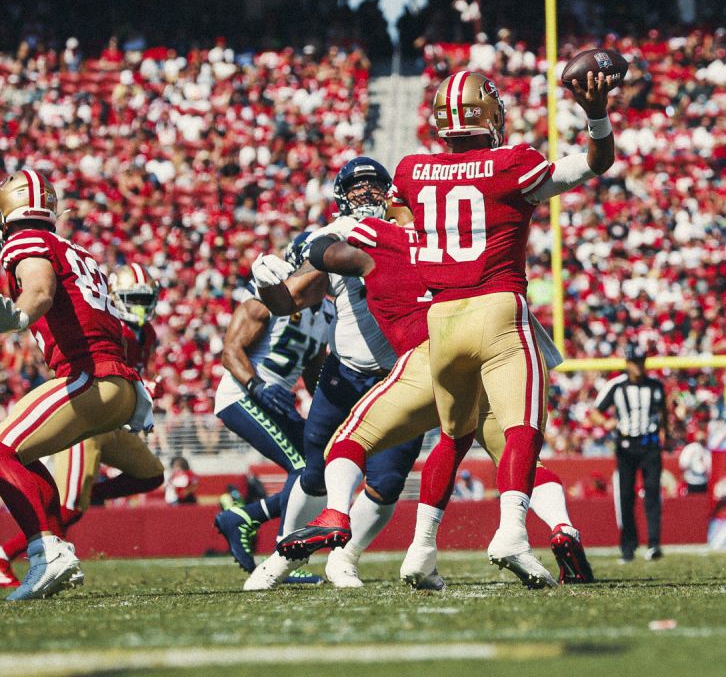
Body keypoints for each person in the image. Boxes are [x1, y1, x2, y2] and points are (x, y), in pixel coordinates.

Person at [258, 158, 593, 588]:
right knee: (511, 448)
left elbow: (323, 251)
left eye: (383, 191)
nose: (373, 197)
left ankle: (350, 530)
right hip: (484, 344)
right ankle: (554, 528)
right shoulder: (450, 235)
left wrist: (309, 247)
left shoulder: (376, 237)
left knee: (357, 447)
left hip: (426, 358)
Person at [383, 68, 616, 586]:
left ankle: (420, 550)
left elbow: (397, 213)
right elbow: (597, 164)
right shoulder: (511, 163)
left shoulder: (412, 169)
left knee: (452, 436)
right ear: (489, 114)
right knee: (522, 428)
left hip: (440, 318)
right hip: (496, 308)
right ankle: (511, 530)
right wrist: (597, 115)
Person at [242, 158, 427, 590]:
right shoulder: (334, 238)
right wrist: (267, 283)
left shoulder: (415, 234)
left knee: (386, 482)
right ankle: (285, 554)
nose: (366, 193)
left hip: (401, 376)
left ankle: (344, 558)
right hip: (344, 375)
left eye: (374, 185)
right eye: (357, 186)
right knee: (315, 469)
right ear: (342, 196)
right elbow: (286, 303)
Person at [0, 169, 152, 600]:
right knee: (25, 455)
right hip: (118, 385)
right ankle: (52, 554)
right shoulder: (76, 250)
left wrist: (19, 316)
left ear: (6, 214)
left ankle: (45, 553)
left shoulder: (26, 242)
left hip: (89, 377)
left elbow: (40, 290)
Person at [210, 233, 331, 575]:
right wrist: (258, 387)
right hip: (244, 396)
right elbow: (231, 352)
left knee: (321, 468)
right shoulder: (266, 299)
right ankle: (284, 558)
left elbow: (312, 370)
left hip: (276, 400)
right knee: (302, 467)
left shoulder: (325, 312)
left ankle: (244, 516)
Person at [592, 345, 670, 562]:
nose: (638, 366)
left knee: (653, 494)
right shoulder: (616, 386)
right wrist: (607, 422)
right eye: (634, 361)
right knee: (626, 496)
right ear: (627, 363)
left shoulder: (655, 386)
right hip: (626, 446)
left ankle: (654, 544)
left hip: (650, 446)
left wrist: (664, 432)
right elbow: (595, 412)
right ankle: (628, 545)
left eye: (641, 361)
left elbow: (663, 412)